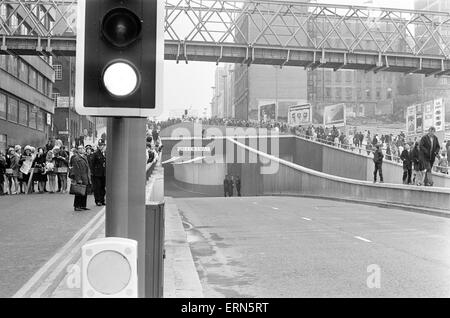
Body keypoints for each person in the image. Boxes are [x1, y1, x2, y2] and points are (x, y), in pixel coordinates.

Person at [70, 146, 91, 211]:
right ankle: (76, 206)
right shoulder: (76, 158)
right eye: (80, 148)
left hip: (85, 176)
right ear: (78, 150)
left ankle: (83, 205)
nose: (82, 150)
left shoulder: (84, 157)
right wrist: (78, 179)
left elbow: (87, 168)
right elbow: (76, 170)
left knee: (84, 192)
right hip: (80, 177)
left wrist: (89, 177)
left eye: (82, 148)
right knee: (78, 192)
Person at [91, 141, 106, 206]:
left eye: (102, 145)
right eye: (100, 145)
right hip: (97, 174)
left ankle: (102, 200)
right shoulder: (95, 154)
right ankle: (98, 201)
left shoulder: (105, 153)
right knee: (97, 188)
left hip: (104, 174)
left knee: (103, 187)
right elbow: (92, 164)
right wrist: (93, 173)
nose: (101, 146)